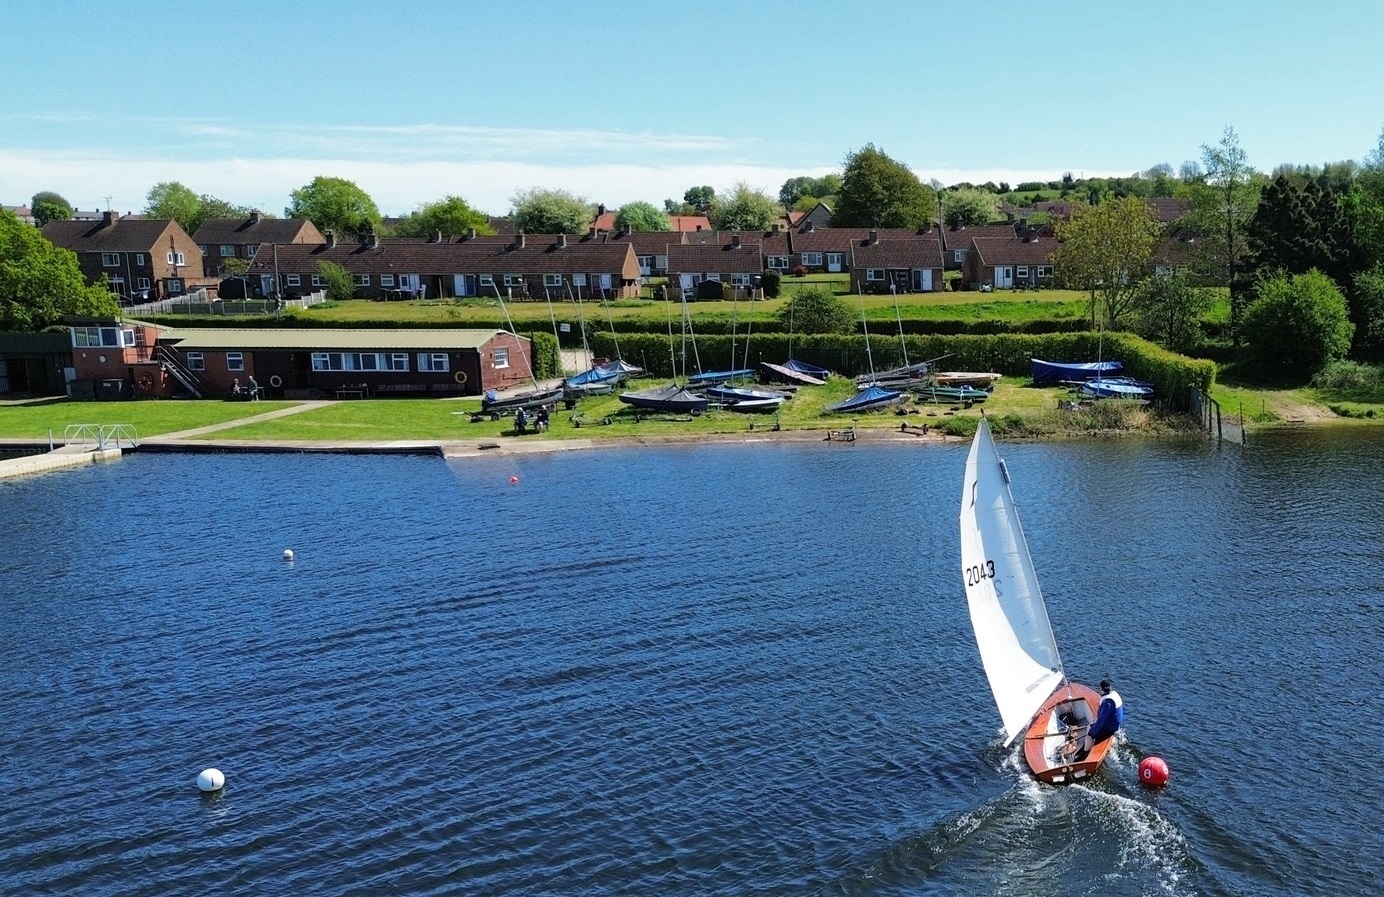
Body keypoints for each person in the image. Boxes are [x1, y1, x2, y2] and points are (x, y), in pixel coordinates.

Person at [1088, 679, 1124, 744]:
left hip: (1110, 728)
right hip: (1116, 725)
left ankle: (1086, 748)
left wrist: (1091, 733)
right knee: (1091, 725)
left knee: (1089, 730)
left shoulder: (1107, 702)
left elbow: (1101, 720)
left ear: (1101, 689)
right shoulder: (1114, 694)